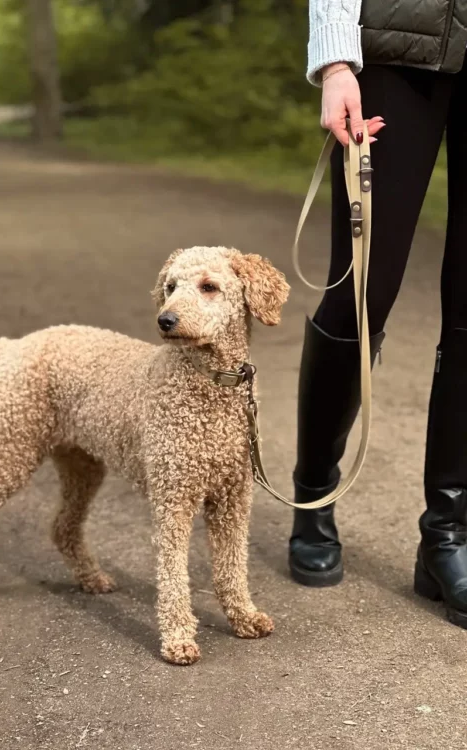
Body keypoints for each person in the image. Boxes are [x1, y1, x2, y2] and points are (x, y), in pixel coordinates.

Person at [290, 0, 467, 629]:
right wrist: (336, 59)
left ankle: (448, 534)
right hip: (396, 44)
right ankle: (314, 490)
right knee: (363, 289)